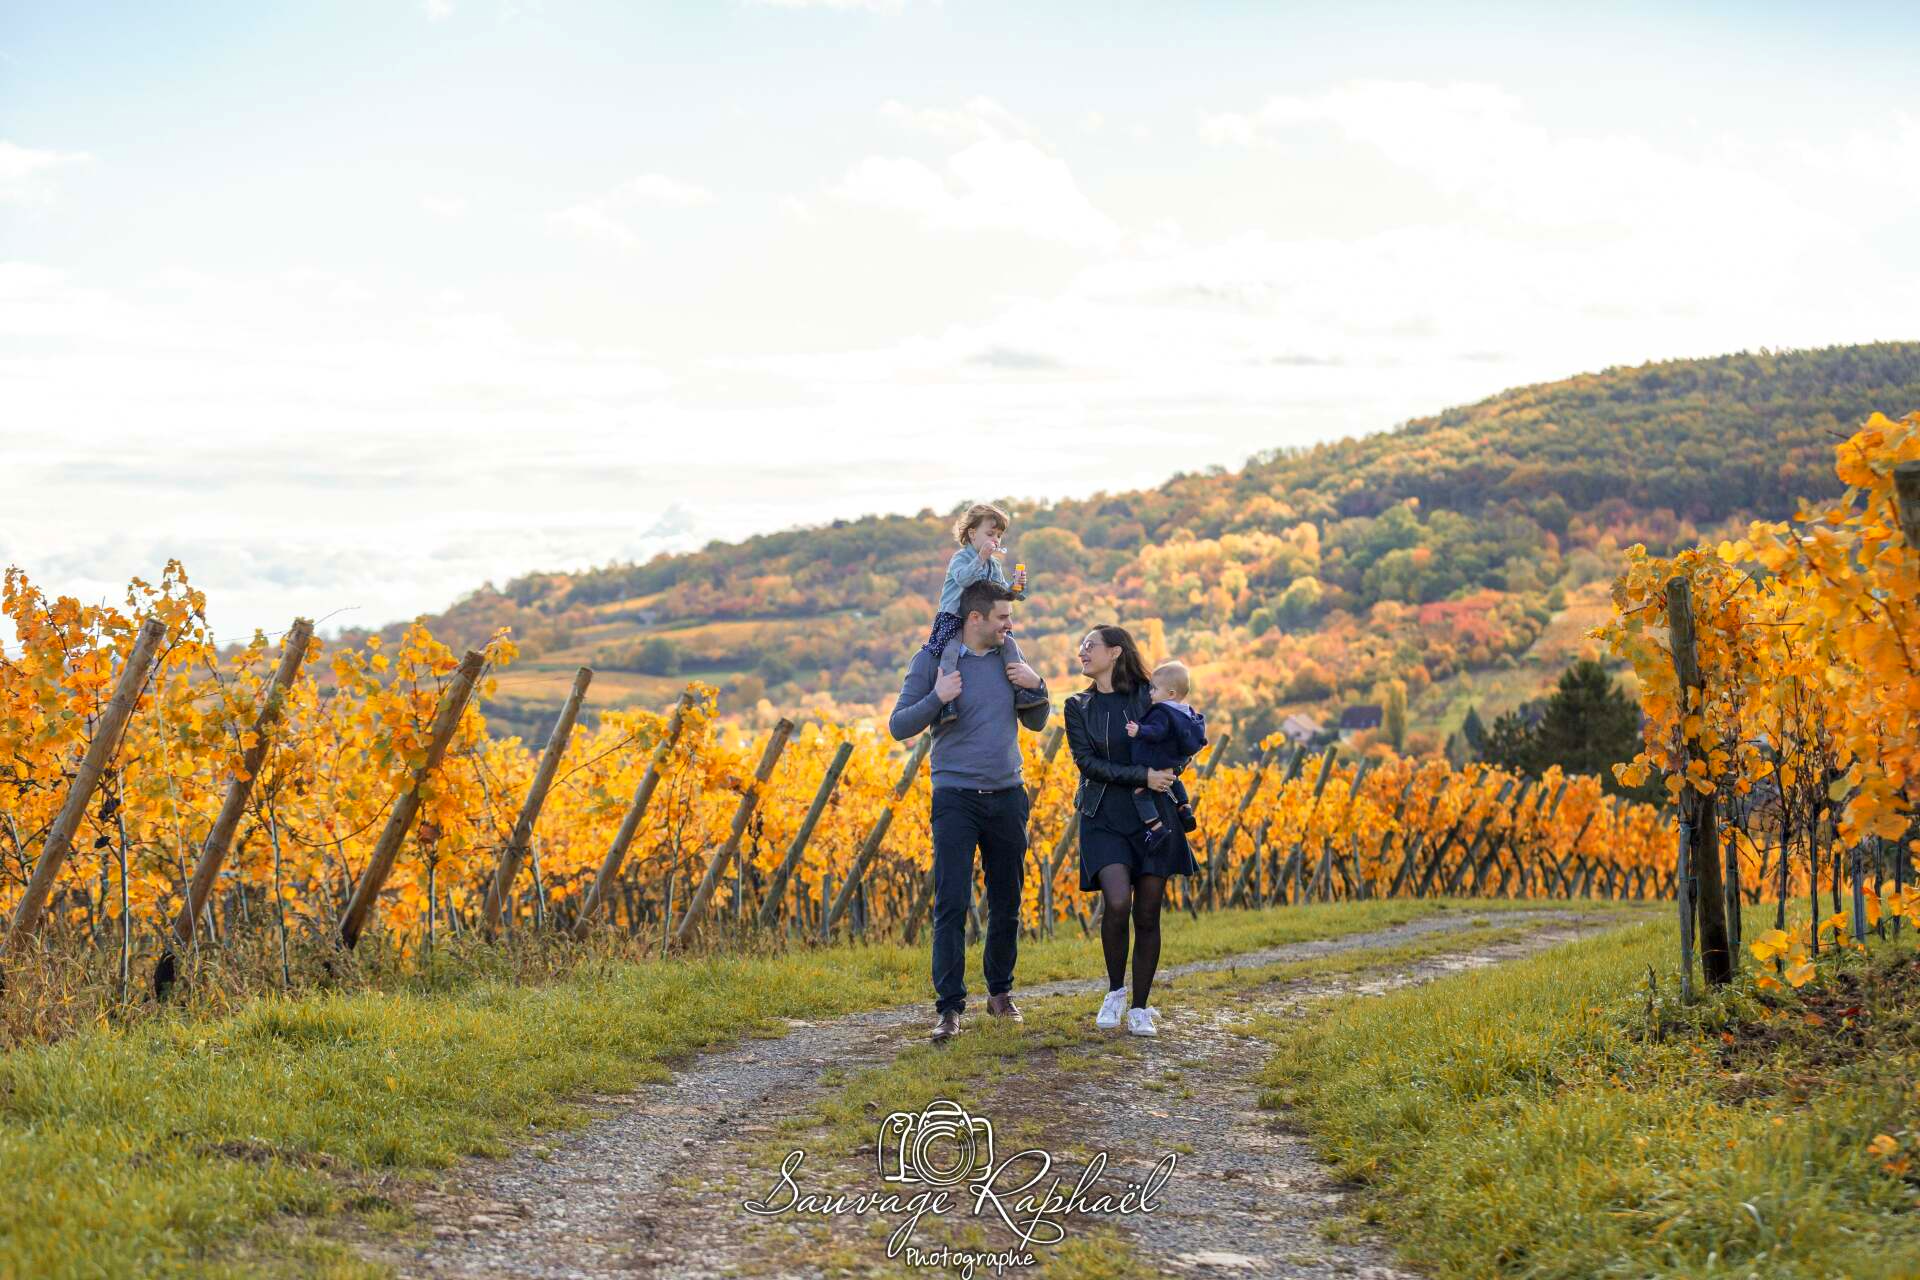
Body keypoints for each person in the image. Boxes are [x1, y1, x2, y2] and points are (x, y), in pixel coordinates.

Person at [889, 577, 1051, 1043]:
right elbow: (899, 725)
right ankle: (949, 1008)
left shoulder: (1010, 656)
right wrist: (938, 697)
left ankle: (1000, 994)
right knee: (952, 901)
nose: (1010, 624)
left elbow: (1038, 722)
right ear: (975, 618)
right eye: (1002, 617)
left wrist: (1036, 685)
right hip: (956, 796)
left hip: (1007, 794)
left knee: (1007, 901)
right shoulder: (932, 661)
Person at [1063, 625, 1198, 1037]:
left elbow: (1184, 737)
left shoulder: (1148, 695)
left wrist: (1170, 773)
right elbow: (1087, 763)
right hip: (1103, 815)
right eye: (1082, 645)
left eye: (1091, 645)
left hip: (1153, 817)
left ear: (1115, 653)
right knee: (1118, 902)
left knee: (1148, 912)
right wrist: (1142, 772)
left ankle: (1140, 1006)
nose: (1082, 651)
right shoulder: (1078, 706)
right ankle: (1115, 991)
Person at [923, 503, 1046, 725]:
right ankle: (947, 702)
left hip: (983, 619)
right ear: (972, 533)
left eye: (999, 536)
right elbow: (964, 579)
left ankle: (1020, 689)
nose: (996, 540)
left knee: (1009, 644)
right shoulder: (961, 558)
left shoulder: (994, 564)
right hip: (954, 615)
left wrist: (1016, 588)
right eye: (990, 534)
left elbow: (999, 593)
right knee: (949, 650)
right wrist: (980, 558)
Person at [1124, 660, 1207, 847]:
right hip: (1172, 760)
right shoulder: (1187, 712)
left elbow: (1157, 731)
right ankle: (1185, 808)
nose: (1150, 693)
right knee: (1175, 781)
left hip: (1156, 759)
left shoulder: (1162, 712)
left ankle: (1156, 829)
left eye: (1154, 689)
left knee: (1139, 793)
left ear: (1170, 694)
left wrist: (1139, 730)